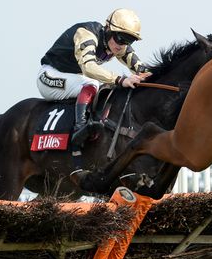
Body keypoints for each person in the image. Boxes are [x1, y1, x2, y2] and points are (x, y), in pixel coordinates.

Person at [37, 8, 151, 152]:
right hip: (49, 76)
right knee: (93, 83)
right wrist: (120, 79)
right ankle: (80, 129)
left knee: (103, 88)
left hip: (71, 78)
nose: (122, 45)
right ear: (108, 30)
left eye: (129, 41)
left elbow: (144, 71)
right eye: (120, 38)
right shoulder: (86, 34)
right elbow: (88, 68)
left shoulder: (119, 45)